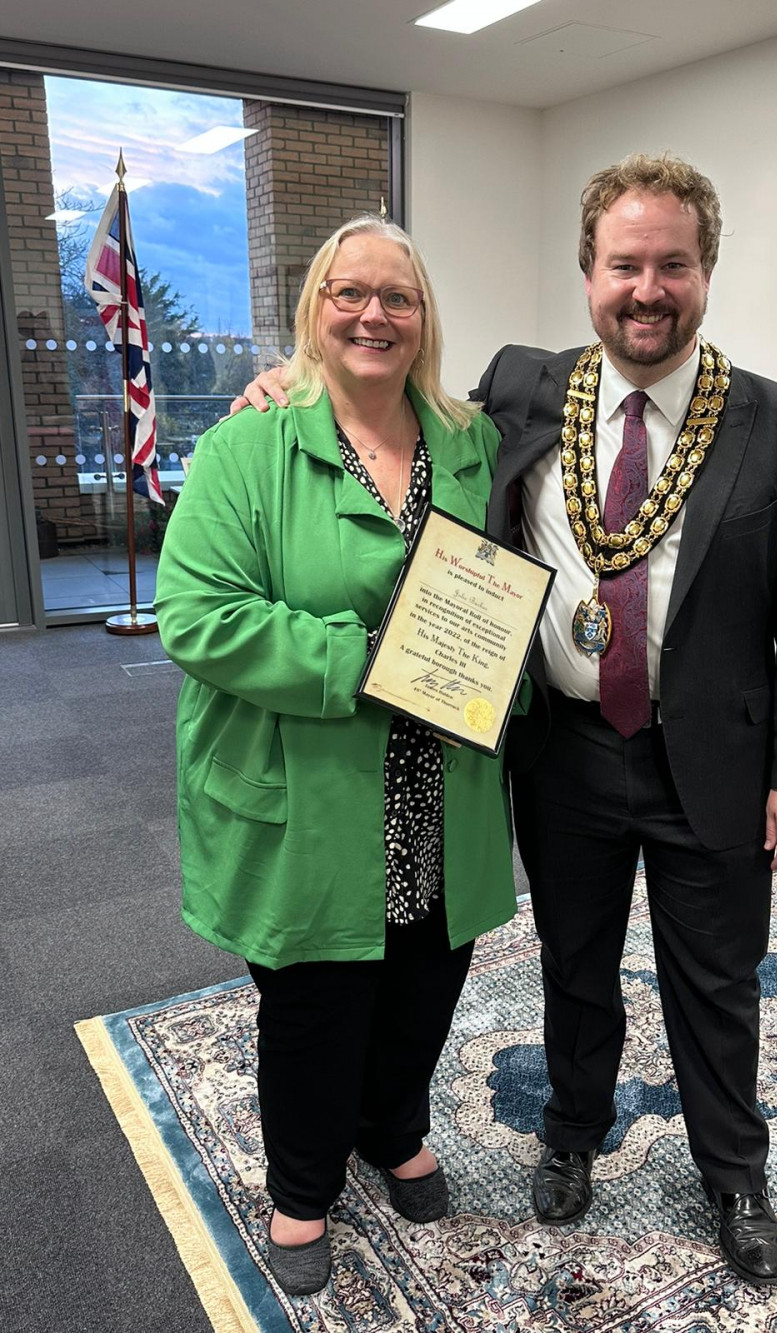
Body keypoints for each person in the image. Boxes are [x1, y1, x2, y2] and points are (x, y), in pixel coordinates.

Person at [231, 152, 777, 1287]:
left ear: (705, 272)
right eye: (624, 264)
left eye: (671, 265)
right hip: (560, 747)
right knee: (575, 962)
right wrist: (287, 377)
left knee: (717, 978)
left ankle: (734, 1175)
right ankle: (570, 1134)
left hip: (710, 754)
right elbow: (377, 377)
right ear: (588, 273)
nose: (645, 289)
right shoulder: (521, 388)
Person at [156, 214, 524, 1298]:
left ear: (425, 318)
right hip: (313, 781)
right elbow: (196, 614)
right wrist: (358, 655)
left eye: (397, 297)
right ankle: (302, 1185)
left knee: (425, 974)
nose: (374, 314)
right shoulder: (247, 446)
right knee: (316, 998)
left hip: (438, 781)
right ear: (314, 310)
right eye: (347, 293)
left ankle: (392, 1127)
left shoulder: (471, 441)